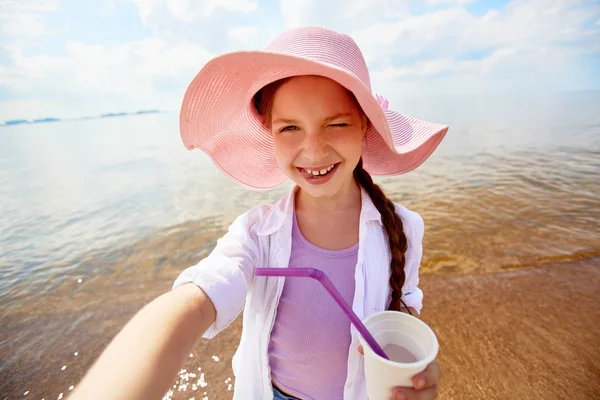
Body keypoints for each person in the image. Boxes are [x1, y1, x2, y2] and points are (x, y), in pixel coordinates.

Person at [70, 26, 449, 400]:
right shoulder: (255, 234)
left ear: (365, 124)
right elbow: (199, 297)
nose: (313, 151)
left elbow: (404, 304)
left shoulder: (403, 227)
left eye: (336, 124)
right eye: (290, 128)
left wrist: (413, 369)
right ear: (269, 131)